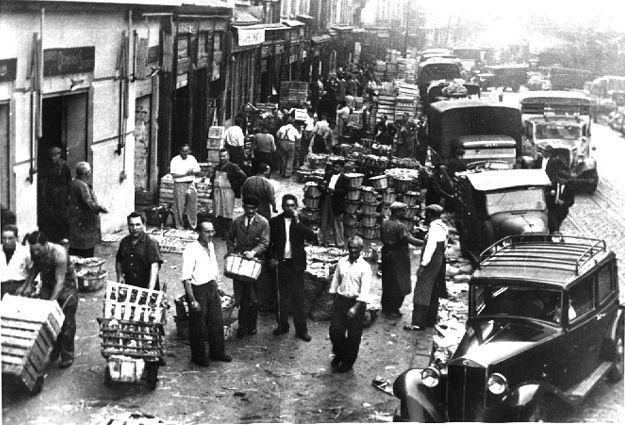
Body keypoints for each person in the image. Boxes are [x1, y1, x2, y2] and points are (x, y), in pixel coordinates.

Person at [18, 231, 77, 368]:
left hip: (66, 287)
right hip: (47, 284)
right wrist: (26, 285)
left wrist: (51, 303)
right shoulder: (35, 251)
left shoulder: (59, 253)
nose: (36, 253)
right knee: (48, 322)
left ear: (45, 244)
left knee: (66, 322)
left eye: (38, 250)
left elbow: (60, 282)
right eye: (34, 250)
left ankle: (67, 355)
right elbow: (35, 268)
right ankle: (55, 349)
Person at [181, 221, 232, 366]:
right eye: (207, 232)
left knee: (216, 321)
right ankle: (198, 356)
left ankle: (217, 352)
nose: (210, 235)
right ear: (199, 232)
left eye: (212, 231)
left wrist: (218, 286)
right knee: (198, 324)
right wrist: (192, 300)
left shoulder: (210, 245)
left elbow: (213, 268)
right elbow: (186, 278)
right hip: (198, 289)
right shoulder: (191, 249)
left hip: (211, 287)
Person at [268, 194, 318, 341]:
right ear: (282, 206)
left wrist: (298, 222)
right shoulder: (275, 222)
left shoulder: (302, 221)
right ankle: (283, 326)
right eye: (287, 205)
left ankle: (301, 330)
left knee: (298, 298)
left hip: (296, 265)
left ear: (296, 206)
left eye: (292, 205)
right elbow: (269, 243)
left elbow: (312, 237)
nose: (290, 208)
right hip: (281, 264)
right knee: (281, 298)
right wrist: (271, 258)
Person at [226, 196, 270, 338]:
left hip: (254, 263)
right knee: (241, 295)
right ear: (244, 207)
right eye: (247, 208)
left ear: (257, 209)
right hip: (240, 262)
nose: (250, 211)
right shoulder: (237, 221)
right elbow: (229, 238)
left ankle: (252, 325)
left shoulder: (263, 223)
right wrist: (233, 253)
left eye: (253, 208)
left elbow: (265, 242)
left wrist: (253, 252)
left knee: (253, 297)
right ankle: (242, 326)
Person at [328, 236, 372, 373]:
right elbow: (336, 281)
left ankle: (347, 362)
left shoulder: (365, 267)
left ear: (361, 249)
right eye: (351, 247)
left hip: (356, 303)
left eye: (356, 248)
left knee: (354, 336)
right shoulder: (342, 262)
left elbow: (365, 291)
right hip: (341, 300)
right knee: (335, 331)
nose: (353, 250)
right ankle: (341, 353)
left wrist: (355, 308)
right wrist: (332, 297)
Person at [406, 204, 448, 331]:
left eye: (426, 214)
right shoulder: (443, 226)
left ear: (430, 215)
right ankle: (431, 319)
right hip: (439, 260)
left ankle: (418, 322)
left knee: (422, 291)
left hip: (431, 262)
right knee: (434, 290)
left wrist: (423, 265)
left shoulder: (434, 229)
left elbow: (430, 248)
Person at [380, 203, 423, 318]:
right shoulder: (400, 226)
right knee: (399, 282)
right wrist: (425, 242)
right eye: (403, 211)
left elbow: (382, 238)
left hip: (386, 253)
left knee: (387, 281)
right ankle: (393, 308)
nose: (405, 213)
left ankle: (386, 306)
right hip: (398, 256)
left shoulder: (384, 222)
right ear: (398, 212)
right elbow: (410, 240)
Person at [68, 161, 108, 258]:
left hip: (76, 221)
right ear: (86, 173)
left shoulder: (74, 183)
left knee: (75, 249)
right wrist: (100, 208)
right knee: (86, 250)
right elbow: (88, 201)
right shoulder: (82, 185)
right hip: (85, 222)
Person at [115, 212, 163, 290]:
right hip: (129, 283)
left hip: (146, 283)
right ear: (128, 226)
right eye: (131, 225)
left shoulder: (150, 242)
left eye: (138, 224)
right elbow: (118, 260)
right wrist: (120, 276)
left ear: (143, 225)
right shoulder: (124, 242)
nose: (135, 228)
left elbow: (154, 266)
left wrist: (150, 287)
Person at [210, 149, 247, 237]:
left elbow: (243, 177)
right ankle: (219, 232)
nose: (222, 158)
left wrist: (233, 184)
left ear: (228, 156)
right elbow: (213, 179)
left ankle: (228, 234)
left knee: (227, 212)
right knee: (218, 212)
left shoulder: (233, 167)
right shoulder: (217, 167)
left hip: (228, 192)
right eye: (221, 156)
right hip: (217, 192)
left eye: (224, 156)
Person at [38, 146, 72, 242]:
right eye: (51, 156)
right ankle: (54, 236)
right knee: (52, 215)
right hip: (51, 192)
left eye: (54, 156)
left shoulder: (65, 165)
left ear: (59, 155)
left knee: (63, 215)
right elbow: (45, 179)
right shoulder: (48, 166)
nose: (53, 158)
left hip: (62, 193)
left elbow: (69, 180)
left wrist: (69, 194)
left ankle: (64, 236)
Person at [169, 145, 201, 230]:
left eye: (186, 152)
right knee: (179, 207)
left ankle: (192, 226)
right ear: (180, 151)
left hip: (191, 184)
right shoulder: (175, 160)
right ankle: (179, 226)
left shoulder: (192, 158)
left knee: (192, 207)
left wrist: (193, 172)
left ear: (189, 151)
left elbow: (198, 171)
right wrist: (185, 174)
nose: (185, 154)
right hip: (179, 185)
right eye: (183, 151)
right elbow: (173, 174)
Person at [319, 160, 348, 247]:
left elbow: (345, 191)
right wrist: (322, 187)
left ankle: (339, 242)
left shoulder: (344, 178)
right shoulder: (328, 175)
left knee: (337, 221)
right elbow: (321, 184)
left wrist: (334, 191)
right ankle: (324, 240)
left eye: (337, 167)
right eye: (334, 167)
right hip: (326, 199)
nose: (335, 169)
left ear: (341, 168)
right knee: (324, 220)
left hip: (336, 202)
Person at [1, 224, 32, 298]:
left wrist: (28, 286)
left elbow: (33, 270)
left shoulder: (25, 251)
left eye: (10, 238)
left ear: (16, 238)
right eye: (4, 238)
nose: (7, 241)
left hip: (19, 287)